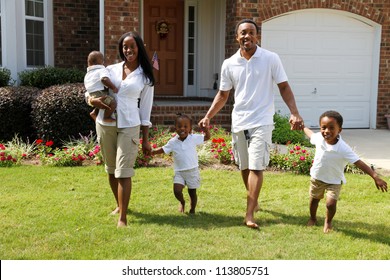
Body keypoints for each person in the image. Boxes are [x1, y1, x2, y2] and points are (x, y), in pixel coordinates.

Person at [198, 19, 304, 229]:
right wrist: (208, 116)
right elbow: (223, 94)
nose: (247, 36)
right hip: (239, 121)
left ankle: (249, 214)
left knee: (256, 166)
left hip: (262, 121)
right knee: (244, 166)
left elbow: (283, 86)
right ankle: (254, 203)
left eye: (251, 32)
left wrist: (294, 112)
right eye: (243, 33)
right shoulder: (229, 63)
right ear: (237, 37)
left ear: (257, 36)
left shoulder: (270, 58)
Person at [87, 32, 155, 227]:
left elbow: (145, 110)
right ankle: (119, 204)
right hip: (105, 124)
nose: (128, 50)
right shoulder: (110, 69)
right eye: (125, 47)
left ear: (139, 48)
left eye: (132, 46)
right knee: (111, 169)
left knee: (123, 171)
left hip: (130, 126)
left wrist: (146, 139)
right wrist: (91, 100)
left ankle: (122, 217)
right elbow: (91, 88)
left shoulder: (146, 76)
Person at [303, 110, 387, 233]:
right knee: (314, 200)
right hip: (317, 178)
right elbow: (310, 133)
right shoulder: (318, 139)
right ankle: (313, 218)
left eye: (331, 128)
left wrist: (375, 176)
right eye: (323, 127)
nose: (326, 131)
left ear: (339, 130)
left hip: (334, 180)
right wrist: (302, 126)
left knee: (330, 204)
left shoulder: (343, 148)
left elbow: (359, 162)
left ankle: (328, 221)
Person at [152, 114, 210, 214]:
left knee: (192, 193)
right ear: (175, 128)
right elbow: (163, 149)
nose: (182, 128)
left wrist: (206, 130)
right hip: (179, 172)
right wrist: (152, 152)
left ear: (190, 128)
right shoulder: (173, 142)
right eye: (179, 126)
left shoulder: (193, 138)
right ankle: (182, 202)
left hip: (192, 171)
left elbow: (207, 137)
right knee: (177, 191)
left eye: (185, 126)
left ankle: (192, 210)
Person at [84, 50, 118, 122]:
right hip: (100, 93)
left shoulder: (88, 74)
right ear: (102, 61)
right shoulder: (102, 70)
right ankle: (106, 117)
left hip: (91, 95)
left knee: (103, 104)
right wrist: (113, 87)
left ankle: (94, 113)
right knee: (113, 103)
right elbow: (104, 79)